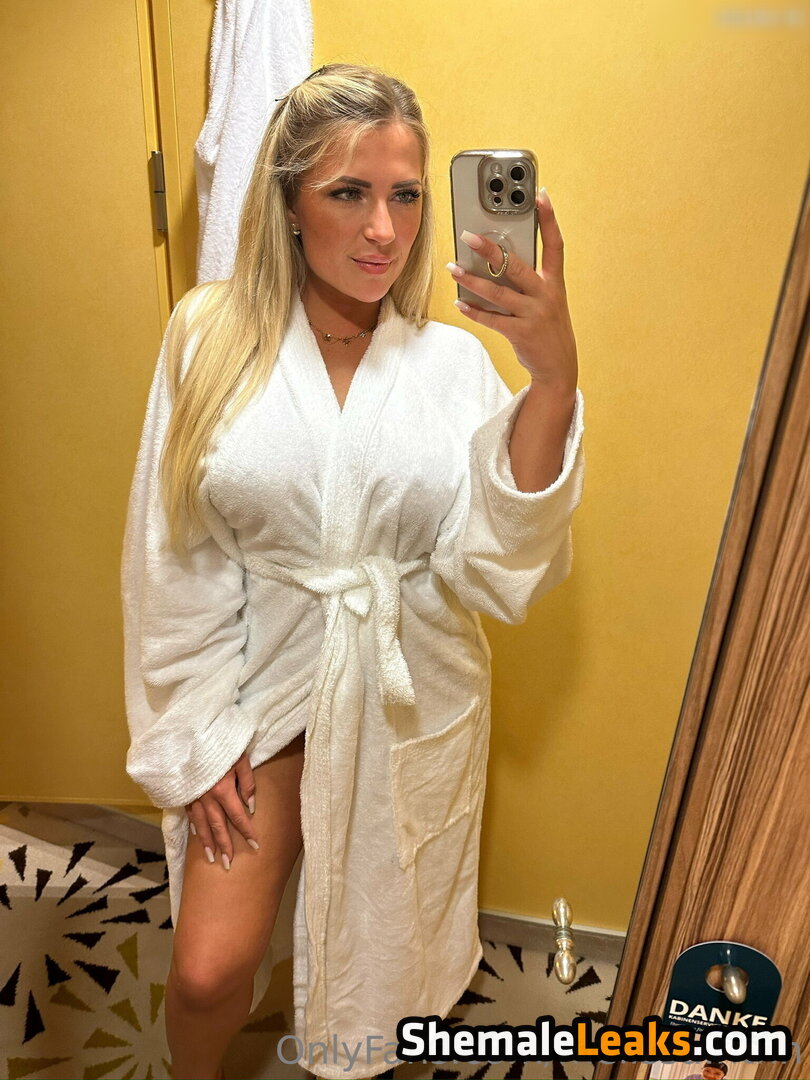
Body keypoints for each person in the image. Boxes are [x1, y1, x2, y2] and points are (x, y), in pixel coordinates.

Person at [121, 62, 585, 1080]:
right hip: (264, 686)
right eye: (348, 193)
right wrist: (194, 728)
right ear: (289, 202)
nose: (384, 230)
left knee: (384, 962)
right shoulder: (208, 336)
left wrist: (551, 380)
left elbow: (496, 565)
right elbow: (175, 552)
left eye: (406, 196)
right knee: (206, 973)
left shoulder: (451, 366)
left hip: (408, 696)